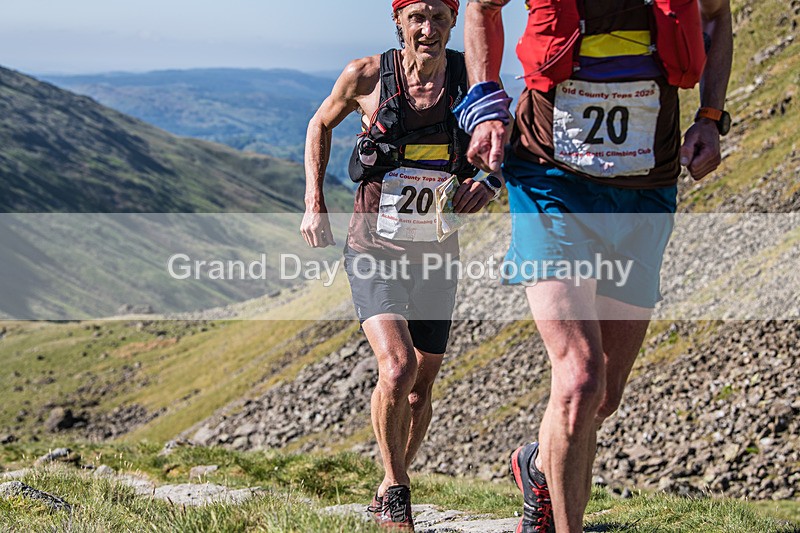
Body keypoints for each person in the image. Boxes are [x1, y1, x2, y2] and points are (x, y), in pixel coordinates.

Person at [459, 0, 732, 531]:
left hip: (645, 187)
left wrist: (711, 117)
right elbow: (481, 8)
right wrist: (487, 106)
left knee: (602, 397)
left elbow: (718, 17)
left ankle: (538, 464)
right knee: (581, 377)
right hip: (549, 179)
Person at [301, 0, 497, 529]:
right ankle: (399, 491)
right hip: (372, 249)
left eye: (438, 18)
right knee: (398, 366)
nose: (428, 30)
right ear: (399, 22)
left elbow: (510, 138)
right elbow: (320, 124)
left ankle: (390, 478)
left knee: (421, 386)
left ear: (454, 23)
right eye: (417, 18)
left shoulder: (471, 78)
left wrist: (490, 182)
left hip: (437, 253)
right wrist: (314, 202)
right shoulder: (366, 76)